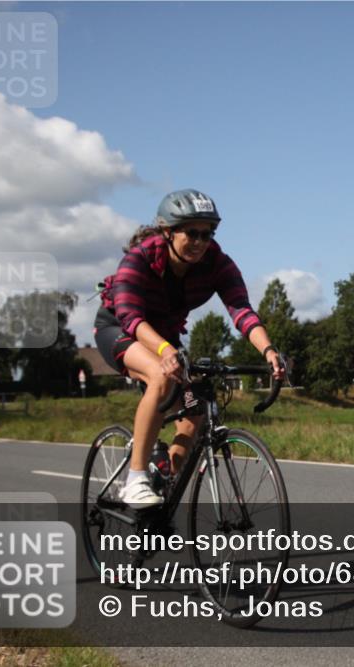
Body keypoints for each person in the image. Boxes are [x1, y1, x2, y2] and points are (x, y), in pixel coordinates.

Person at [94, 189, 284, 509]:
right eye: (191, 232)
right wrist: (165, 351)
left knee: (196, 408)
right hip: (121, 328)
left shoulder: (217, 264)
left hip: (166, 336)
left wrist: (268, 350)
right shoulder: (140, 258)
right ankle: (136, 478)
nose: (200, 241)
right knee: (160, 375)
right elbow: (130, 315)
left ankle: (164, 484)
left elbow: (241, 310)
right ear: (167, 232)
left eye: (207, 233)